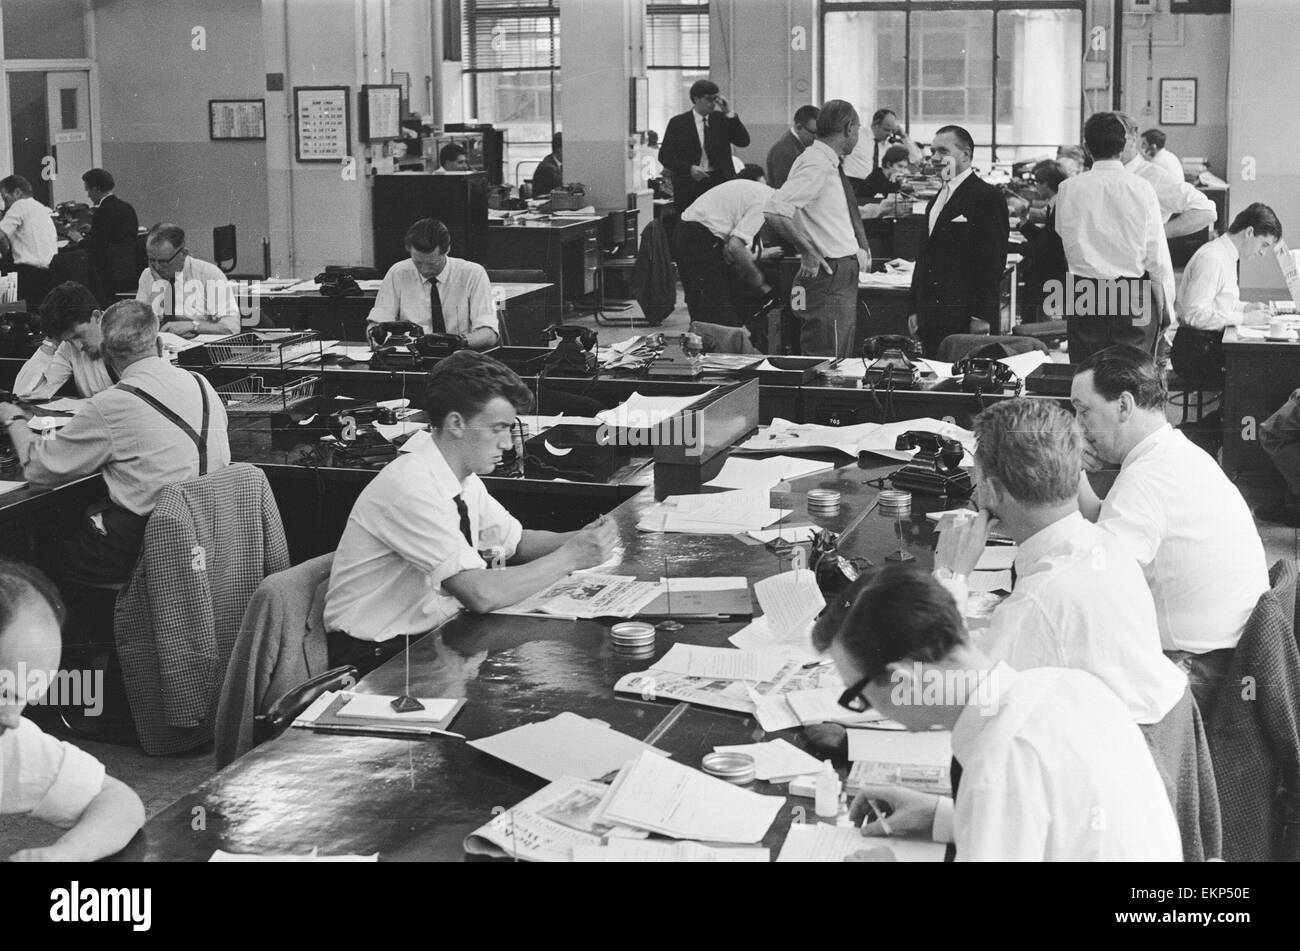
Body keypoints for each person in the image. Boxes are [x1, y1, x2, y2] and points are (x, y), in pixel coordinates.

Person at [814, 563, 1182, 862]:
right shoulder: (1068, 685)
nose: (867, 709)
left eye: (858, 696)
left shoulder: (1000, 762)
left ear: (903, 681)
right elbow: (1059, 830)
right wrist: (947, 818)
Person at [324, 351, 619, 666]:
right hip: (379, 658)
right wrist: (572, 556)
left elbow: (516, 542)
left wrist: (584, 539)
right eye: (498, 428)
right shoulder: (412, 488)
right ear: (456, 423)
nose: (507, 444)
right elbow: (480, 594)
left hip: (433, 635)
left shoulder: (460, 478)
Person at [934, 398, 1188, 727]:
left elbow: (954, 693)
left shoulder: (1040, 598)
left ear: (994, 491)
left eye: (978, 482)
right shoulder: (1104, 546)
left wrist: (952, 576)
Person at [1072, 346, 1268, 714]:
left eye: (1083, 411)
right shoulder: (1174, 453)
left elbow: (1095, 582)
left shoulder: (1146, 479)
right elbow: (1108, 524)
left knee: (1065, 694)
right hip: (1229, 654)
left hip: (1199, 671)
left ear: (1124, 406)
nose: (1079, 426)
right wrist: (1075, 473)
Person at [0, 301, 231, 586]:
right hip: (213, 530)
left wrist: (14, 420)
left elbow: (38, 469)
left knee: (38, 556)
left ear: (106, 355)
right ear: (158, 343)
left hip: (150, 544)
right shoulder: (200, 382)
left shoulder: (112, 403)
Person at [0, 559, 145, 861]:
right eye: (4, 692)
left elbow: (117, 801)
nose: (13, 719)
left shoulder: (7, 742)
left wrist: (62, 855)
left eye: (25, 698)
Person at [1055, 113, 1172, 363]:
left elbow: (1062, 235)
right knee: (1132, 376)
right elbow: (1156, 258)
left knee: (1088, 374)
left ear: (1086, 147)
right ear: (1124, 145)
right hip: (1133, 295)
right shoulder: (1142, 188)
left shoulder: (1068, 188)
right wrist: (1161, 306)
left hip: (1083, 292)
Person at [763, 99, 872, 357]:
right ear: (848, 128)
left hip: (837, 271)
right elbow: (774, 211)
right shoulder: (816, 163)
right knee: (827, 360)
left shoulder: (824, 161)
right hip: (829, 273)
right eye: (857, 129)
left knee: (836, 356)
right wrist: (808, 251)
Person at [906, 125, 1010, 356]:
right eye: (932, 152)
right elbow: (924, 258)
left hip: (965, 316)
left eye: (942, 151)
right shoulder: (937, 199)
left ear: (965, 154)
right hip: (931, 315)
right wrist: (914, 309)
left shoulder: (987, 196)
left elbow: (991, 261)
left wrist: (980, 315)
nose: (934, 158)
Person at [1173, 202, 1280, 380]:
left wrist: (1245, 308)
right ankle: (1226, 409)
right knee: (1263, 371)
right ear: (1249, 232)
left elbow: (1218, 302)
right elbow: (1194, 314)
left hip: (1205, 345)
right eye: (1264, 245)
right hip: (1195, 353)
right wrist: (1244, 319)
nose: (1263, 253)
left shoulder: (1224, 254)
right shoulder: (1213, 258)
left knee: (1264, 367)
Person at [366, 217, 498, 350]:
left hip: (460, 356)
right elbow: (376, 324)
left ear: (447, 250)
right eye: (417, 263)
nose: (424, 270)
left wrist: (457, 342)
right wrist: (376, 337)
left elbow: (489, 333)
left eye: (432, 264)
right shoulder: (398, 273)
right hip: (411, 357)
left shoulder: (473, 274)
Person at [673, 176, 775, 333]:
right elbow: (735, 246)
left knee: (709, 309)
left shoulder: (762, 192)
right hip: (698, 237)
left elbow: (731, 248)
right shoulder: (766, 203)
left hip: (693, 232)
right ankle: (713, 352)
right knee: (717, 317)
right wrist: (757, 278)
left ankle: (707, 348)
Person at [1118, 114, 1216, 240]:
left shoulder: (1153, 172)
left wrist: (1155, 235)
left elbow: (1206, 211)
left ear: (1133, 138)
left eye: (1118, 138)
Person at [659, 79, 750, 212]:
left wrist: (729, 113)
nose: (713, 103)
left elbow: (743, 141)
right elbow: (665, 156)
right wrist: (689, 168)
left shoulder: (721, 119)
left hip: (718, 181)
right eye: (709, 99)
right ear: (696, 99)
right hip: (689, 184)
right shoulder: (678, 123)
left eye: (716, 99)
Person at [134, 223, 241, 336]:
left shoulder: (209, 275)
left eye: (163, 262)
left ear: (183, 253)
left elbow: (231, 328)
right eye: (152, 260)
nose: (157, 267)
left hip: (200, 348)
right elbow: (137, 325)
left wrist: (192, 326)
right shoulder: (147, 275)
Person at [13, 281, 114, 400]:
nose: (77, 347)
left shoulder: (128, 336)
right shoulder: (67, 346)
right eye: (68, 340)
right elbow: (23, 394)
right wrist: (52, 341)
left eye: (78, 335)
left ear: (97, 317)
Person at [65, 168, 139, 294]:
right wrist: (93, 230)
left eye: (88, 190)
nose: (88, 195)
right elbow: (118, 234)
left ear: (96, 189)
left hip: (109, 275)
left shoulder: (102, 212)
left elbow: (97, 248)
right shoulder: (127, 207)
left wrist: (79, 238)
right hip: (130, 270)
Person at [1018, 159, 1069, 321]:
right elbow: (1044, 238)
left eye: (1037, 183)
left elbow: (1044, 246)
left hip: (1049, 278)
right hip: (1051, 275)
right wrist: (1024, 222)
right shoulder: (1056, 203)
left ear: (1045, 184)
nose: (1035, 188)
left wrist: (1007, 246)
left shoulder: (1060, 206)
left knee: (1040, 324)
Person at [0, 174, 58, 308]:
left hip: (27, 276)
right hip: (48, 275)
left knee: (13, 313)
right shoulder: (43, 209)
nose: (5, 203)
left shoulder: (20, 205)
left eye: (5, 198)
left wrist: (5, 254)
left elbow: (1, 234)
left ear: (17, 192)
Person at [765, 105, 819, 190]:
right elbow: (784, 191)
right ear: (798, 127)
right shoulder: (784, 151)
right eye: (813, 132)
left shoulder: (796, 145)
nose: (816, 138)